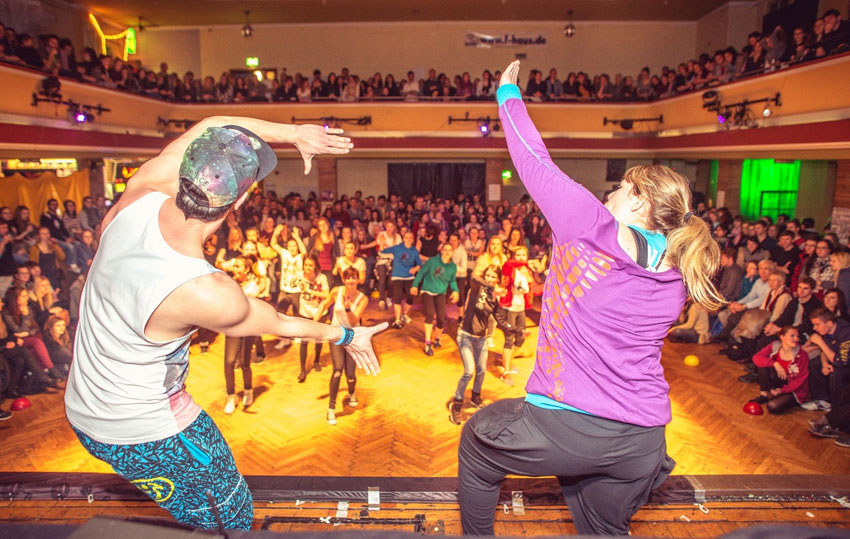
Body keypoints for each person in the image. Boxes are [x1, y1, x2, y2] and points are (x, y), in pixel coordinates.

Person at [64, 116, 387, 531]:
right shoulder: (204, 290)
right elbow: (280, 322)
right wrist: (346, 334)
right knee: (230, 517)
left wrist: (294, 134)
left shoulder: (142, 189)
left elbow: (212, 122)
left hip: (83, 409)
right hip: (147, 431)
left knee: (201, 515)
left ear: (183, 171)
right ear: (235, 206)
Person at [457, 61, 724, 537]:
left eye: (623, 187)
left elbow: (532, 158)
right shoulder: (681, 268)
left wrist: (505, 92)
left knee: (476, 446)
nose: (613, 191)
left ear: (641, 201)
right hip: (642, 440)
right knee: (601, 529)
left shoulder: (590, 226)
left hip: (568, 426)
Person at [320, 267, 368, 425]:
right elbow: (324, 305)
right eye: (348, 278)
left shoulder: (363, 298)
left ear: (358, 279)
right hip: (336, 334)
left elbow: (354, 321)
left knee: (351, 374)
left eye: (353, 278)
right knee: (337, 370)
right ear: (344, 280)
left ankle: (352, 393)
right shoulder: (336, 291)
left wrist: (347, 307)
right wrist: (312, 323)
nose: (351, 281)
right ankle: (331, 409)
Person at [411, 242, 459, 356]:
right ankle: (427, 342)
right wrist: (414, 285)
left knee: (441, 319)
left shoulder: (452, 266)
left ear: (452, 252)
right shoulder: (433, 261)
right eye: (445, 250)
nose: (447, 252)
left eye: (450, 250)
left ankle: (437, 337)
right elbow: (421, 272)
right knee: (429, 313)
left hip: (441, 293)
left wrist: (455, 291)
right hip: (427, 290)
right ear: (441, 251)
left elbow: (452, 280)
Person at [749, 326, 809, 413]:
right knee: (762, 366)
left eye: (797, 336)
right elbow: (756, 357)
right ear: (782, 337)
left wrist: (782, 391)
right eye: (792, 336)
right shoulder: (775, 346)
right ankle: (764, 395)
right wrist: (775, 363)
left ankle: (787, 399)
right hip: (779, 382)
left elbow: (799, 381)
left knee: (772, 406)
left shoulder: (801, 355)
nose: (796, 339)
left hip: (793, 389)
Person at [381, 230, 421, 329]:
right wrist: (382, 243)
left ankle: (404, 314)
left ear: (413, 240)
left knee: (411, 297)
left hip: (409, 276)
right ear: (403, 238)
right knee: (398, 297)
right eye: (406, 237)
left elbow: (419, 264)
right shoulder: (397, 248)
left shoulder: (414, 251)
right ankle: (397, 319)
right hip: (397, 276)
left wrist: (415, 268)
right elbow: (382, 252)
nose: (408, 239)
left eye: (410, 237)